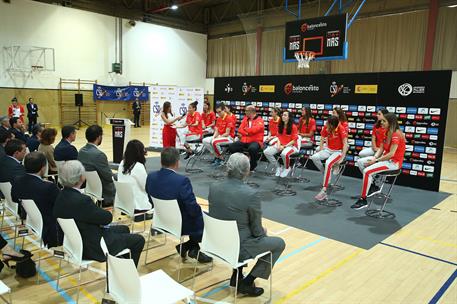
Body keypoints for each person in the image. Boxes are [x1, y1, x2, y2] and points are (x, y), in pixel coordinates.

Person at [208, 153, 285, 296]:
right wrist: (263, 232)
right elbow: (257, 231)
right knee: (279, 243)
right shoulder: (250, 194)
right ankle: (247, 282)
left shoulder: (214, 186)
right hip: (237, 247)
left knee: (240, 229)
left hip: (215, 242)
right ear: (247, 171)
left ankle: (236, 275)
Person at [53, 160, 145, 266]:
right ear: (81, 177)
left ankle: (118, 266)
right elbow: (106, 218)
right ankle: (128, 274)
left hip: (75, 243)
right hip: (94, 247)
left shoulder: (60, 196)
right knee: (139, 240)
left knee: (124, 229)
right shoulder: (82, 201)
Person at [145, 147, 212, 263]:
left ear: (161, 161)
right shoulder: (181, 181)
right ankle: (192, 247)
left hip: (160, 219)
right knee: (204, 217)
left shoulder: (151, 177)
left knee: (196, 214)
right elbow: (192, 208)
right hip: (178, 223)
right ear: (177, 162)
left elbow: (150, 199)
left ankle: (189, 247)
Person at [351, 113, 406, 210]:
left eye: (384, 121)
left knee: (367, 172)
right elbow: (381, 148)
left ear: (391, 122)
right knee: (360, 162)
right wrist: (374, 157)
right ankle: (374, 185)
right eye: (382, 120)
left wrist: (375, 160)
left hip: (393, 163)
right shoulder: (386, 132)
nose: (381, 122)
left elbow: (391, 154)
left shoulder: (396, 134)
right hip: (385, 160)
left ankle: (363, 199)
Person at [11, 151, 62, 248]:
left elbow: (14, 199)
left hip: (29, 219)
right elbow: (62, 206)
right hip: (49, 227)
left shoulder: (17, 180)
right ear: (43, 167)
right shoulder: (49, 187)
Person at [311, 116, 348, 201]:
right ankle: (325, 173)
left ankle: (324, 190)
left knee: (328, 163)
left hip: (338, 151)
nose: (326, 124)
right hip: (328, 149)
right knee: (314, 157)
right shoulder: (326, 126)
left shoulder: (341, 129)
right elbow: (322, 138)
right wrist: (320, 149)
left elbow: (345, 144)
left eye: (328, 123)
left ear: (333, 125)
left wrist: (342, 157)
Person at [78, 125, 115, 206]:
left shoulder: (81, 151)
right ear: (99, 137)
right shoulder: (99, 155)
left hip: (90, 187)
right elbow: (108, 177)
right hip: (104, 191)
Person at [118, 140, 152, 216]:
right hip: (138, 206)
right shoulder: (138, 166)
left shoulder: (122, 163)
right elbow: (146, 187)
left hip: (125, 204)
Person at [228, 105, 264, 171]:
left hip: (256, 141)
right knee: (232, 146)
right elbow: (239, 130)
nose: (245, 112)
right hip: (245, 140)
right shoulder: (245, 119)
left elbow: (255, 130)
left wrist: (246, 130)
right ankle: (241, 161)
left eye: (246, 111)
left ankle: (253, 165)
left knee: (252, 149)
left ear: (251, 111)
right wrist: (247, 132)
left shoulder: (260, 120)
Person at [264, 110, 298, 178]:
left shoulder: (293, 126)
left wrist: (284, 146)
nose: (283, 116)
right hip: (281, 144)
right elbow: (279, 137)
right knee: (267, 152)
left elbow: (294, 140)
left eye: (285, 115)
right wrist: (279, 145)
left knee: (284, 154)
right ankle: (278, 167)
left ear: (289, 117)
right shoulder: (280, 125)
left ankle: (287, 168)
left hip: (291, 146)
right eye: (282, 115)